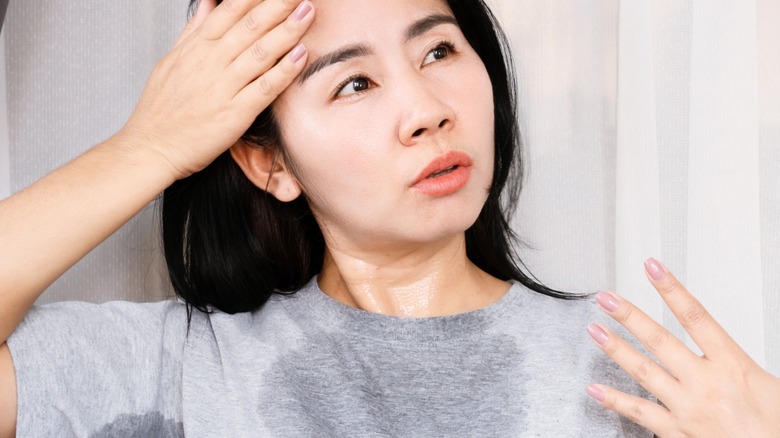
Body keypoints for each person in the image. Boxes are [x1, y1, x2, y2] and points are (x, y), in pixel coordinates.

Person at [0, 0, 777, 436]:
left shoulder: (629, 374)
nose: (426, 112)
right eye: (354, 84)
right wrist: (150, 145)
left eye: (439, 51)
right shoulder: (180, 369)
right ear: (268, 163)